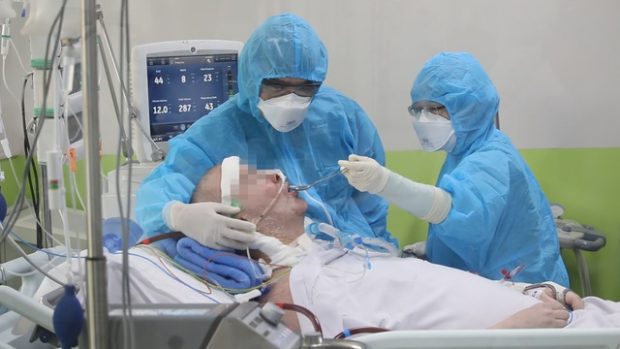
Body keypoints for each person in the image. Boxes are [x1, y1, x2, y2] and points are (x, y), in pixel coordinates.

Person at [181, 158, 617, 338]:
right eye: (253, 178)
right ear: (240, 221)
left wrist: (530, 293)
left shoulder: (336, 254)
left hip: (572, 318)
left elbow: (432, 291)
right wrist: (512, 334)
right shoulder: (302, 290)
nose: (275, 173)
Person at [135, 13, 396, 257]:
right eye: (277, 86)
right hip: (287, 265)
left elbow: (370, 195)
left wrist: (380, 246)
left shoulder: (341, 115)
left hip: (360, 255)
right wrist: (177, 215)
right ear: (251, 77)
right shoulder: (214, 135)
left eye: (306, 88)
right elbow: (161, 188)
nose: (292, 100)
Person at [338, 52, 569, 286]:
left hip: (524, 289)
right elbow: (480, 225)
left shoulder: (494, 158)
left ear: (471, 107)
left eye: (435, 108)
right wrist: (434, 247)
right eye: (418, 109)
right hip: (490, 285)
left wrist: (383, 183)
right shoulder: (461, 154)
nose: (423, 119)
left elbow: (455, 212)